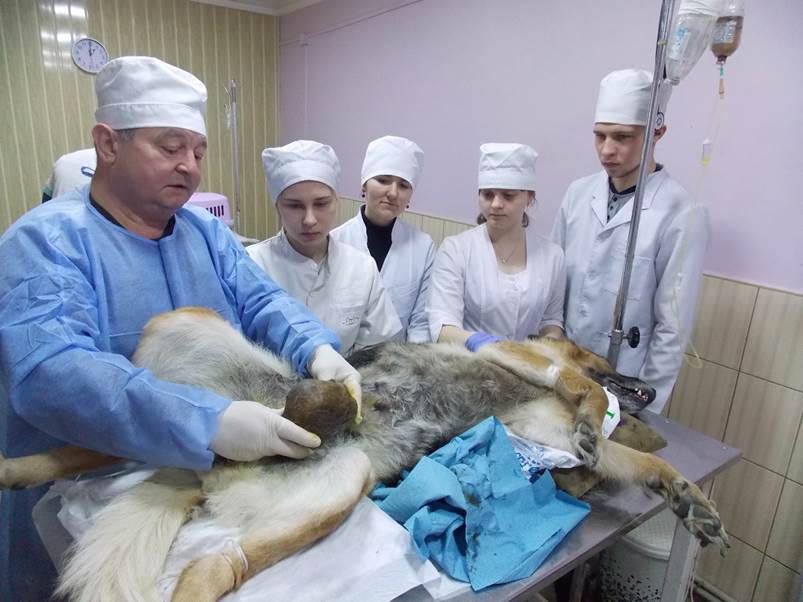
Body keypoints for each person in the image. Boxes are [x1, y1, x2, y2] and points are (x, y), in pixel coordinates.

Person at [0, 56, 360, 600]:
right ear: (108, 143)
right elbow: (53, 372)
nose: (189, 167)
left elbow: (262, 301)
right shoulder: (46, 242)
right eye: (170, 148)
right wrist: (207, 421)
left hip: (209, 474)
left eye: (198, 151)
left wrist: (315, 348)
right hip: (79, 481)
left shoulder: (206, 235)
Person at [551, 68, 709, 413]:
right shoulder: (578, 194)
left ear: (657, 132)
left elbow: (672, 328)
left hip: (626, 382)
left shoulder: (682, 212)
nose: (607, 150)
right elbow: (554, 285)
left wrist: (645, 406)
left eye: (622, 137)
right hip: (564, 367)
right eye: (600, 136)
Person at [248, 140, 402, 356]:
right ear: (277, 206)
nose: (309, 220)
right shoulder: (252, 266)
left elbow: (377, 349)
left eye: (321, 204)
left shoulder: (362, 268)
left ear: (336, 202)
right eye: (294, 205)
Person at [428, 142, 566, 350]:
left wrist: (547, 347)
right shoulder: (456, 250)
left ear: (529, 197)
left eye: (508, 196)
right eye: (487, 194)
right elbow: (443, 326)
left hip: (527, 364)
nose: (496, 204)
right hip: (468, 362)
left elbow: (551, 321)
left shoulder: (553, 256)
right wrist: (483, 344)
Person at [331, 135, 435, 342]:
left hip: (399, 358)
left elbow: (421, 324)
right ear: (364, 185)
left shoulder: (423, 246)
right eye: (383, 180)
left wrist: (412, 361)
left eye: (403, 185)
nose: (393, 193)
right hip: (342, 356)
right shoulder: (334, 242)